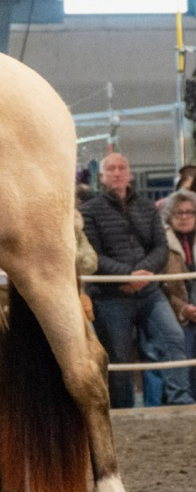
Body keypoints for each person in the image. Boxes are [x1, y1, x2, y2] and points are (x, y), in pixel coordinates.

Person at [81, 153, 194, 408]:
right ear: (102, 176)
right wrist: (127, 276)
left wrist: (142, 275)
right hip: (110, 296)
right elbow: (92, 255)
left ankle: (181, 400)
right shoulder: (89, 211)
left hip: (149, 292)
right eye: (111, 169)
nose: (117, 173)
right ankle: (122, 410)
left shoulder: (146, 206)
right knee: (119, 358)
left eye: (122, 168)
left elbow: (160, 248)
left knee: (173, 337)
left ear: (130, 173)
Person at [161, 189, 196, 401]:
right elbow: (162, 286)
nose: (184, 217)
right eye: (178, 213)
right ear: (170, 216)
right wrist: (183, 309)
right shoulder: (162, 244)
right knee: (183, 345)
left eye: (189, 212)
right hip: (177, 309)